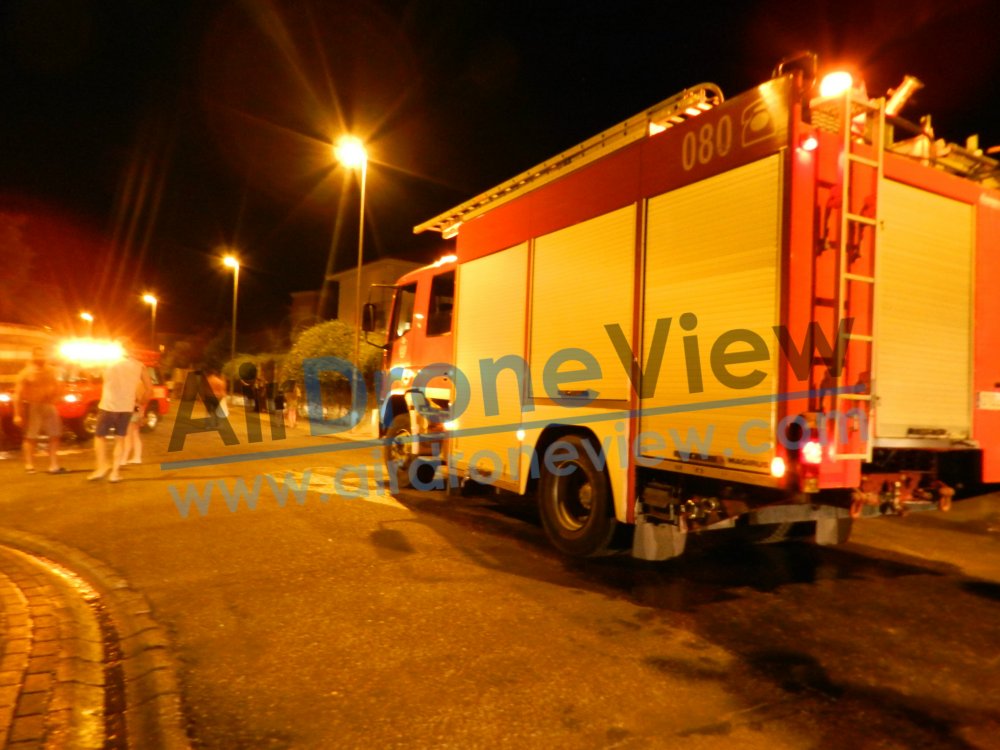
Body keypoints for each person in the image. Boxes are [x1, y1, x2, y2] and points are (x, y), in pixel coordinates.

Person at [89, 344, 151, 482]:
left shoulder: (106, 361)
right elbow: (149, 388)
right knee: (120, 438)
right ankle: (115, 473)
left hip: (107, 406)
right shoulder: (139, 366)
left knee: (100, 437)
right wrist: (141, 403)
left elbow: (94, 374)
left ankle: (101, 467)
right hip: (126, 408)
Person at [12, 347, 66, 474]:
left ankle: (54, 465)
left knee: (55, 435)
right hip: (32, 406)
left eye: (43, 355)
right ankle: (29, 465)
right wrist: (17, 414)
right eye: (38, 355)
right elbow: (18, 395)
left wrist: (58, 396)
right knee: (30, 437)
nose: (41, 358)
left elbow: (59, 386)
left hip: (49, 406)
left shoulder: (52, 371)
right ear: (33, 356)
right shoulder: (25, 373)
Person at [121, 370, 150, 465]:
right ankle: (137, 457)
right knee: (135, 435)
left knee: (128, 435)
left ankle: (124, 459)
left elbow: (136, 398)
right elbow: (143, 400)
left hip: (132, 411)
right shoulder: (141, 383)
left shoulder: (135, 384)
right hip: (137, 411)